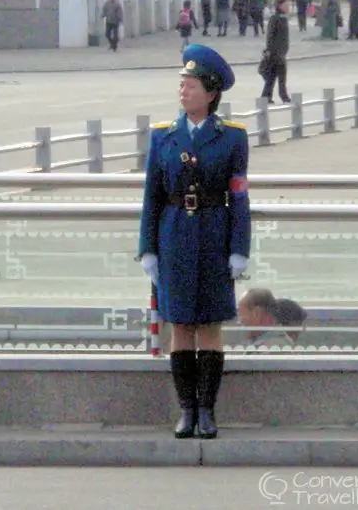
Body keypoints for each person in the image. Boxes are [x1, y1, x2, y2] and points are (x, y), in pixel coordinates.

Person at [138, 44, 251, 440]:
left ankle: (207, 410)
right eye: (181, 84)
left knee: (210, 325)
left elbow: (238, 195)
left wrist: (240, 247)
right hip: (174, 235)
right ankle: (186, 409)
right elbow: (152, 195)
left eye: (191, 85)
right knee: (181, 323)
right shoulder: (163, 137)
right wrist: (147, 247)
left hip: (214, 234)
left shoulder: (232, 139)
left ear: (211, 92)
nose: (183, 91)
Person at [237, 288, 307, 347]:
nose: (240, 321)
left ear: (257, 313)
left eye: (241, 314)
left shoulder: (273, 348)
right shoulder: (257, 342)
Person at [260, 0, 291, 105]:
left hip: (281, 51)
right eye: (286, 5)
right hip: (276, 52)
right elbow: (270, 36)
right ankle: (284, 96)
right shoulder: (275, 18)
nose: (288, 8)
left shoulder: (283, 18)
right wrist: (269, 50)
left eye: (289, 5)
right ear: (280, 6)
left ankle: (266, 96)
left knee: (271, 76)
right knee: (281, 76)